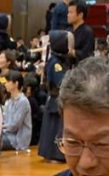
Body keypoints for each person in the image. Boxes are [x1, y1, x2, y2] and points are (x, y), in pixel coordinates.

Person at [38, 30, 72, 162]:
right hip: (56, 98)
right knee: (54, 127)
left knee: (55, 126)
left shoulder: (61, 60)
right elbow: (60, 81)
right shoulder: (55, 62)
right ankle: (54, 154)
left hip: (59, 98)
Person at [1, 70, 31, 151]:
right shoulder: (9, 101)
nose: (5, 84)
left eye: (8, 82)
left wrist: (0, 127)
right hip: (7, 134)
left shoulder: (23, 101)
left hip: (18, 140)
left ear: (16, 83)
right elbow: (4, 120)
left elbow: (14, 125)